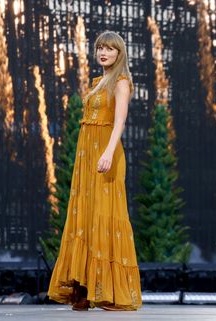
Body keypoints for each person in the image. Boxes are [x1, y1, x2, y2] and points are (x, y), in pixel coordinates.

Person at [47, 30, 142, 311]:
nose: (103, 52)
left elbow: (120, 122)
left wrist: (109, 153)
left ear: (119, 53)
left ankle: (110, 290)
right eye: (100, 47)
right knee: (85, 215)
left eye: (110, 49)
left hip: (105, 151)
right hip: (86, 152)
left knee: (105, 212)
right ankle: (84, 286)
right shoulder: (98, 82)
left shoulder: (121, 82)